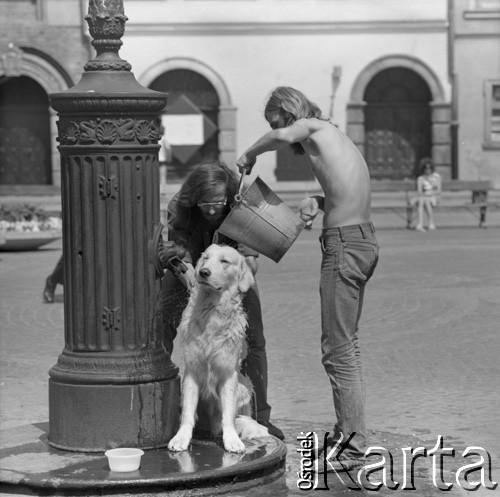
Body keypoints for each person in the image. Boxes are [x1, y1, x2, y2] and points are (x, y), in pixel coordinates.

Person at [236, 86, 379, 471]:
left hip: (346, 246)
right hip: (363, 239)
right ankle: (347, 432)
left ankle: (353, 445)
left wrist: (250, 154)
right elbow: (348, 189)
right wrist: (318, 202)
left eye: (274, 121)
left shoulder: (309, 127)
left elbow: (283, 136)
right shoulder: (334, 134)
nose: (278, 133)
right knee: (347, 345)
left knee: (338, 350)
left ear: (287, 111)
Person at [160, 160, 284, 440]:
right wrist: (189, 273)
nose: (214, 209)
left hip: (230, 272)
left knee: (254, 340)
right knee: (163, 323)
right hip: (192, 268)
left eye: (219, 201)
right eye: (205, 203)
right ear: (193, 200)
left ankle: (260, 415)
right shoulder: (178, 206)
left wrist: (238, 281)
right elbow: (181, 254)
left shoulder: (242, 202)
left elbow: (249, 258)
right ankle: (164, 407)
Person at [414, 157, 441, 232]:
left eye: (429, 168)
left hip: (434, 197)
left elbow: (438, 191)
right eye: (425, 168)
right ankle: (423, 224)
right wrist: (426, 194)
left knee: (425, 200)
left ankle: (427, 223)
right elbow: (419, 191)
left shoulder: (436, 177)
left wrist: (430, 193)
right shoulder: (420, 178)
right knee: (424, 201)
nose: (428, 170)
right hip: (424, 197)